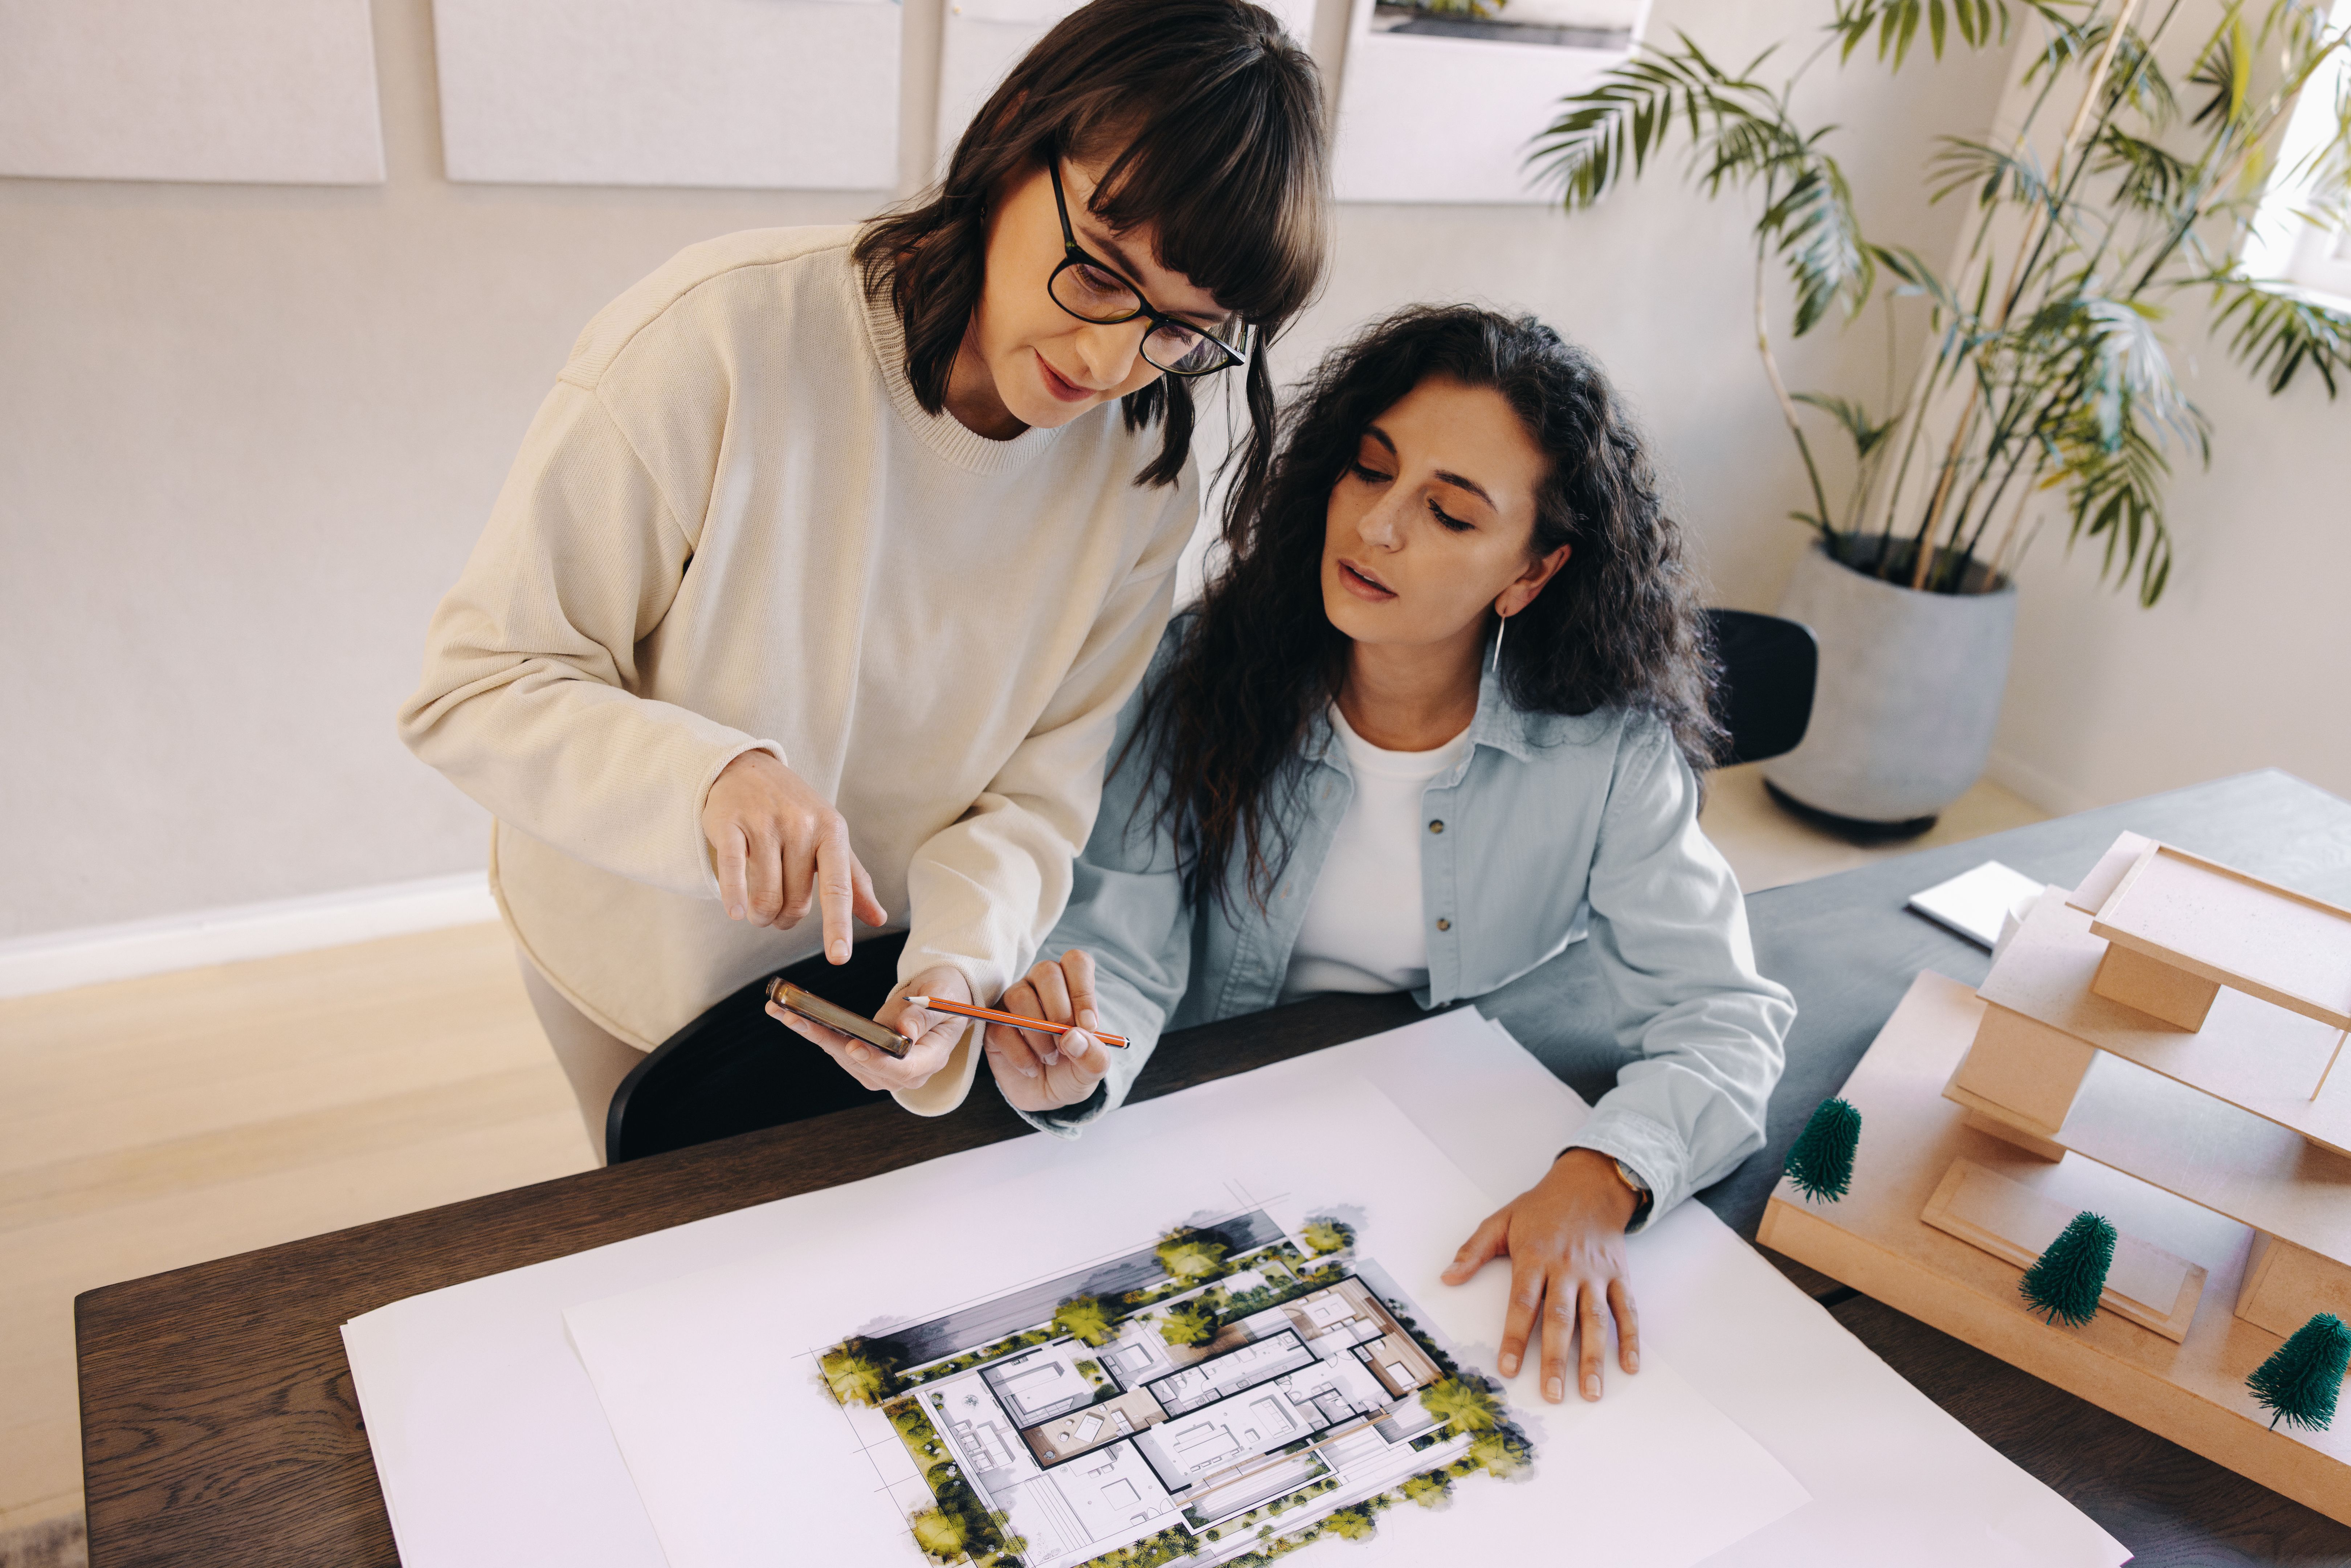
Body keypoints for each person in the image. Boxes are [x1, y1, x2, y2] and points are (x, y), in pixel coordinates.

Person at [396, 0, 1329, 1160]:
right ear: (1014, 137)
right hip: (635, 948)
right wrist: (709, 778)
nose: (1108, 360)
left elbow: (1038, 799)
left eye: (1184, 330)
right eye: (1097, 271)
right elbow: (479, 683)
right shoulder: (725, 336)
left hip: (886, 971)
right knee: (663, 1239)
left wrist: (960, 965)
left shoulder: (1143, 475)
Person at [978, 306, 1793, 1406]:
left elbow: (1722, 1018)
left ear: (1531, 574)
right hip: (1220, 1125)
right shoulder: (1199, 669)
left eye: (1450, 514)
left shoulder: (1606, 753)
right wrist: (1079, 1049)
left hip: (1450, 1148)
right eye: (1370, 472)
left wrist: (1604, 1180)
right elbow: (1120, 945)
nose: (1378, 528)